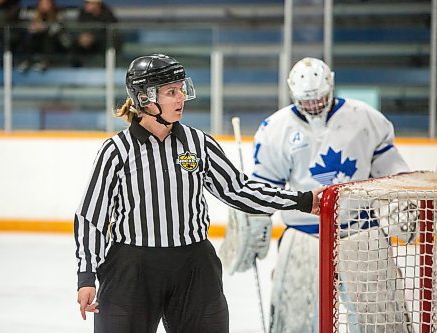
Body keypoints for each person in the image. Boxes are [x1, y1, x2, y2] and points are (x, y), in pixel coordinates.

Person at [74, 54, 323, 333]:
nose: (181, 98)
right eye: (171, 92)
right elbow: (90, 217)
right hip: (132, 268)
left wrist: (301, 200)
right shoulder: (116, 151)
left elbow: (237, 189)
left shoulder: (198, 143)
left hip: (193, 265)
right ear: (145, 97)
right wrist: (86, 276)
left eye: (182, 89)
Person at [249, 57, 413, 332]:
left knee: (379, 322)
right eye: (306, 100)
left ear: (331, 86)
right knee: (297, 323)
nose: (313, 105)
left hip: (361, 233)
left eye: (319, 98)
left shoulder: (365, 118)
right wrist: (255, 222)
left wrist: (399, 199)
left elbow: (391, 171)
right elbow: (265, 186)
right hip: (303, 236)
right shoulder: (274, 129)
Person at [17, 0, 71, 72]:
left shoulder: (59, 14)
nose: (44, 6)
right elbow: (25, 25)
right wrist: (33, 28)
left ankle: (45, 62)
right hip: (38, 40)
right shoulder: (34, 15)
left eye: (47, 3)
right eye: (42, 3)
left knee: (48, 38)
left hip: (56, 41)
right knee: (32, 37)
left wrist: (45, 28)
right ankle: (27, 61)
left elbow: (59, 29)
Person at [69, 0, 119, 67]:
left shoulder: (107, 14)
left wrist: (93, 38)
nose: (86, 5)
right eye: (86, 3)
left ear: (97, 4)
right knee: (73, 43)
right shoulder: (83, 13)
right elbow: (79, 28)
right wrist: (82, 37)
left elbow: (111, 32)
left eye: (89, 3)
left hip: (101, 43)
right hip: (85, 43)